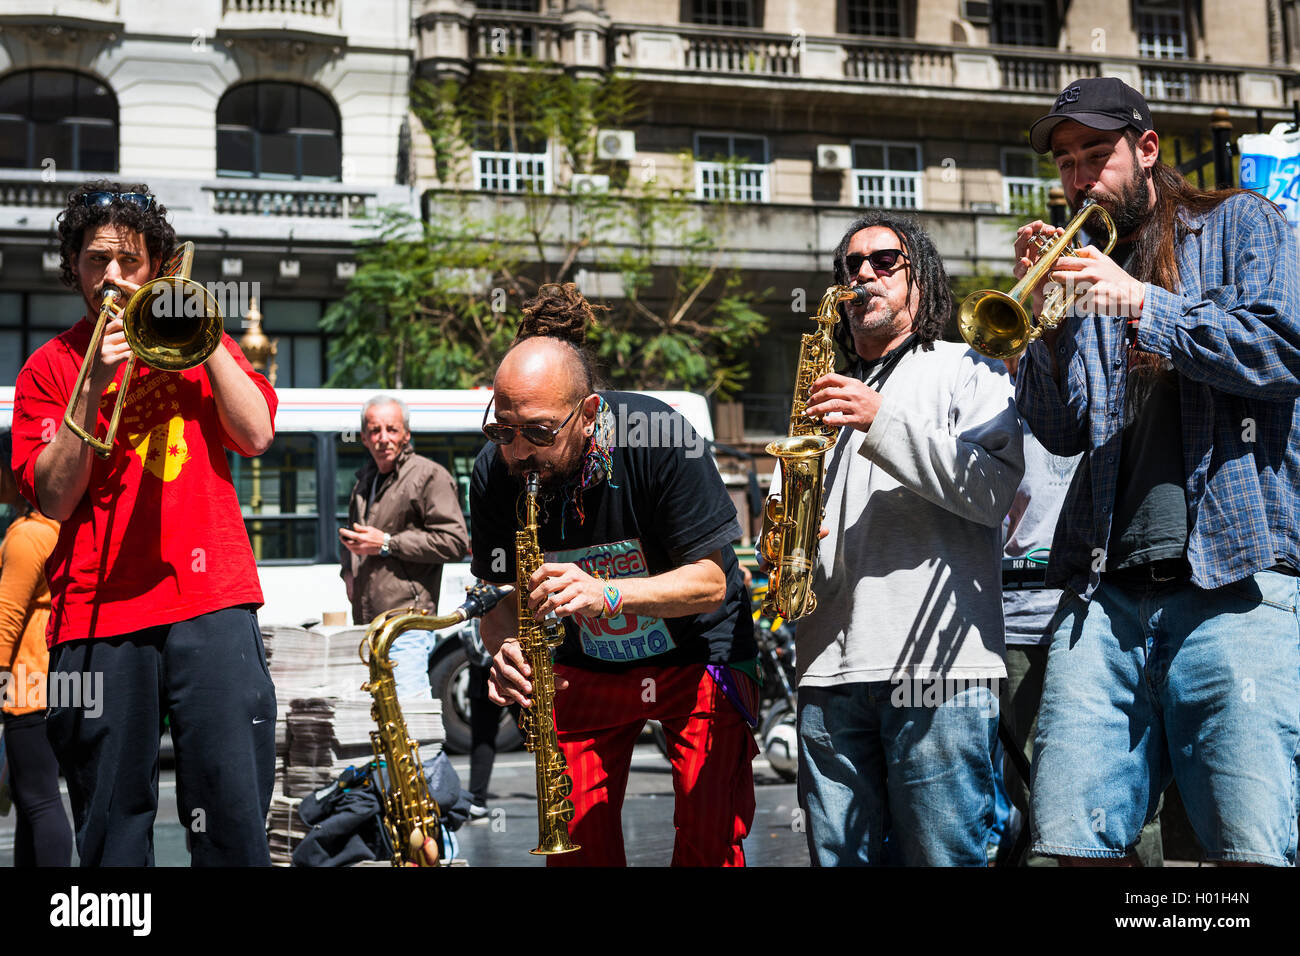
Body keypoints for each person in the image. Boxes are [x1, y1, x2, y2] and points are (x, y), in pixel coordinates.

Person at [1017, 77, 1300, 866]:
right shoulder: (1088, 269)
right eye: (1066, 161)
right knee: (1067, 840)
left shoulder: (1240, 220)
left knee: (1250, 845)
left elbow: (1283, 350)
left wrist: (1140, 302)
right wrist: (1046, 327)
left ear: (1145, 150)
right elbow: (1059, 430)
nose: (1078, 177)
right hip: (1107, 592)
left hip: (1236, 584)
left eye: (1094, 155)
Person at [8, 180, 278, 866]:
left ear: (157, 265)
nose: (114, 278)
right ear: (74, 265)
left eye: (131, 261)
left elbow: (255, 435)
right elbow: (54, 498)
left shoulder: (192, 339)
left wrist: (200, 330)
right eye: (97, 260)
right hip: (97, 617)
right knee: (110, 830)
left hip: (209, 597)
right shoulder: (48, 367)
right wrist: (92, 382)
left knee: (231, 815)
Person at [471, 282, 759, 867]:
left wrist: (608, 593)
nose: (519, 452)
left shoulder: (660, 436)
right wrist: (501, 647)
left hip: (697, 650)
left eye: (540, 432)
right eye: (503, 431)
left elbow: (711, 582)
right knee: (575, 849)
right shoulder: (495, 469)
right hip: (586, 666)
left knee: (707, 842)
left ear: (590, 414)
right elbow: (494, 590)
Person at [790, 211, 1024, 866]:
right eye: (850, 265)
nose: (863, 273)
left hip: (936, 673)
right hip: (827, 668)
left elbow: (990, 492)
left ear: (921, 279)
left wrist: (879, 419)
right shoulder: (826, 390)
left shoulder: (967, 368)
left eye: (884, 261)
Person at [339, 394, 468, 699]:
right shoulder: (364, 481)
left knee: (413, 724)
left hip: (407, 626)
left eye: (392, 430)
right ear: (364, 438)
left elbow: (455, 542)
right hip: (369, 627)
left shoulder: (429, 476)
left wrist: (387, 543)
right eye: (374, 430)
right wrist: (347, 572)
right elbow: (353, 538)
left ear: (406, 434)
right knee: (384, 728)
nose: (383, 438)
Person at [0, 429, 73, 866]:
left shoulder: (26, 536)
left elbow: (6, 619)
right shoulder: (57, 526)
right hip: (60, 682)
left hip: (27, 687)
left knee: (39, 800)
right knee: (33, 804)